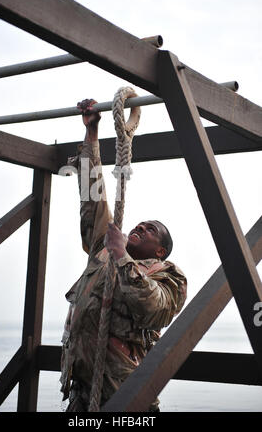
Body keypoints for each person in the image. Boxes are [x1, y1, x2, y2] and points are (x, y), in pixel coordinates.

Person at [60, 99, 187, 412]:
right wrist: (92, 134)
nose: (141, 226)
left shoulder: (168, 274)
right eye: (141, 224)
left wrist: (121, 256)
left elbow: (154, 309)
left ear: (160, 250)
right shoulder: (103, 253)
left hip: (126, 397)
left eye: (151, 230)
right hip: (83, 390)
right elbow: (92, 201)